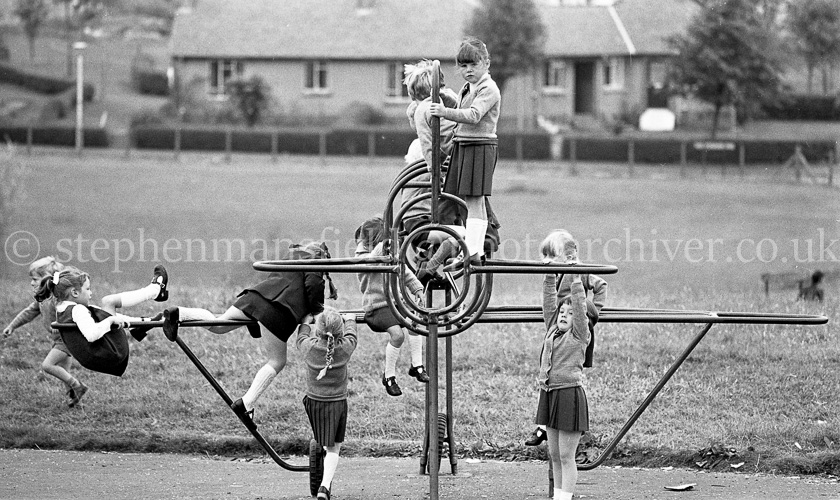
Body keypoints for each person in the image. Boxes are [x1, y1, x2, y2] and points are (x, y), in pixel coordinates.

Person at [161, 241, 337, 431]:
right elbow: (313, 285)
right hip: (278, 310)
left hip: (255, 297)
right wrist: (317, 312)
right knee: (277, 361)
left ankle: (180, 313)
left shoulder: (292, 256)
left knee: (218, 324)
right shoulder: (314, 260)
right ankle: (246, 403)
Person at [30, 263, 169, 404]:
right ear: (75, 293)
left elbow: (105, 317)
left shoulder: (62, 309)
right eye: (87, 289)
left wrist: (117, 320)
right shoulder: (77, 310)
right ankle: (155, 290)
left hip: (98, 357)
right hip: (110, 353)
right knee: (109, 301)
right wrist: (110, 321)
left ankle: (140, 325)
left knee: (100, 311)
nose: (91, 293)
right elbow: (92, 335)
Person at [526, 230, 606, 447]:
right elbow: (549, 298)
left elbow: (600, 286)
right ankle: (544, 427)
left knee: (568, 371)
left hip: (578, 319)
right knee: (551, 371)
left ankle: (562, 427)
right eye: (548, 255)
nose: (552, 260)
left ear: (569, 255)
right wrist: (549, 272)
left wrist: (593, 311)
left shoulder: (578, 272)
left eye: (555, 255)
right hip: (560, 318)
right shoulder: (555, 273)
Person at [429, 36, 502, 270]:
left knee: (475, 200)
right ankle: (473, 251)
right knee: (470, 201)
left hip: (479, 146)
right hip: (465, 144)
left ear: (486, 63)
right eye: (463, 65)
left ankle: (471, 251)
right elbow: (463, 109)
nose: (468, 70)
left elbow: (473, 115)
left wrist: (443, 112)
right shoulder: (468, 88)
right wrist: (447, 100)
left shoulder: (488, 88)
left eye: (473, 64)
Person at [535, 242, 591, 500]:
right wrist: (549, 270)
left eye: (570, 312)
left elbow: (579, 305)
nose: (564, 314)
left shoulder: (579, 334)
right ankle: (558, 496)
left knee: (567, 456)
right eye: (562, 311)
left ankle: (564, 498)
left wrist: (575, 275)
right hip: (550, 394)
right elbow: (549, 300)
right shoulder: (552, 330)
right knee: (555, 454)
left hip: (568, 394)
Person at [355, 216, 429, 396]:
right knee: (397, 335)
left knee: (415, 322)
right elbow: (372, 261)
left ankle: (417, 365)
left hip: (395, 304)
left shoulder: (386, 253)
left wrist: (417, 288)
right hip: (376, 307)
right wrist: (385, 245)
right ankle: (389, 376)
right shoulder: (362, 256)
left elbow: (403, 271)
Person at [2, 257, 83, 407]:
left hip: (66, 339)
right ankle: (74, 398)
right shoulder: (43, 298)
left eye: (35, 279)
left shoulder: (59, 299)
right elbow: (29, 312)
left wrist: (60, 324)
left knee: (47, 365)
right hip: (59, 339)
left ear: (48, 279)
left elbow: (71, 314)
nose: (32, 283)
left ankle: (77, 386)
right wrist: (12, 326)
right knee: (63, 370)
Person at [296, 306, 358, 500]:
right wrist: (351, 319)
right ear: (340, 331)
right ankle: (324, 486)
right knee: (334, 448)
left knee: (322, 438)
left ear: (318, 330)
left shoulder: (309, 347)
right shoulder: (345, 347)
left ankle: (322, 451)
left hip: (313, 401)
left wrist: (305, 323)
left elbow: (300, 338)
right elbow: (352, 336)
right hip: (337, 403)